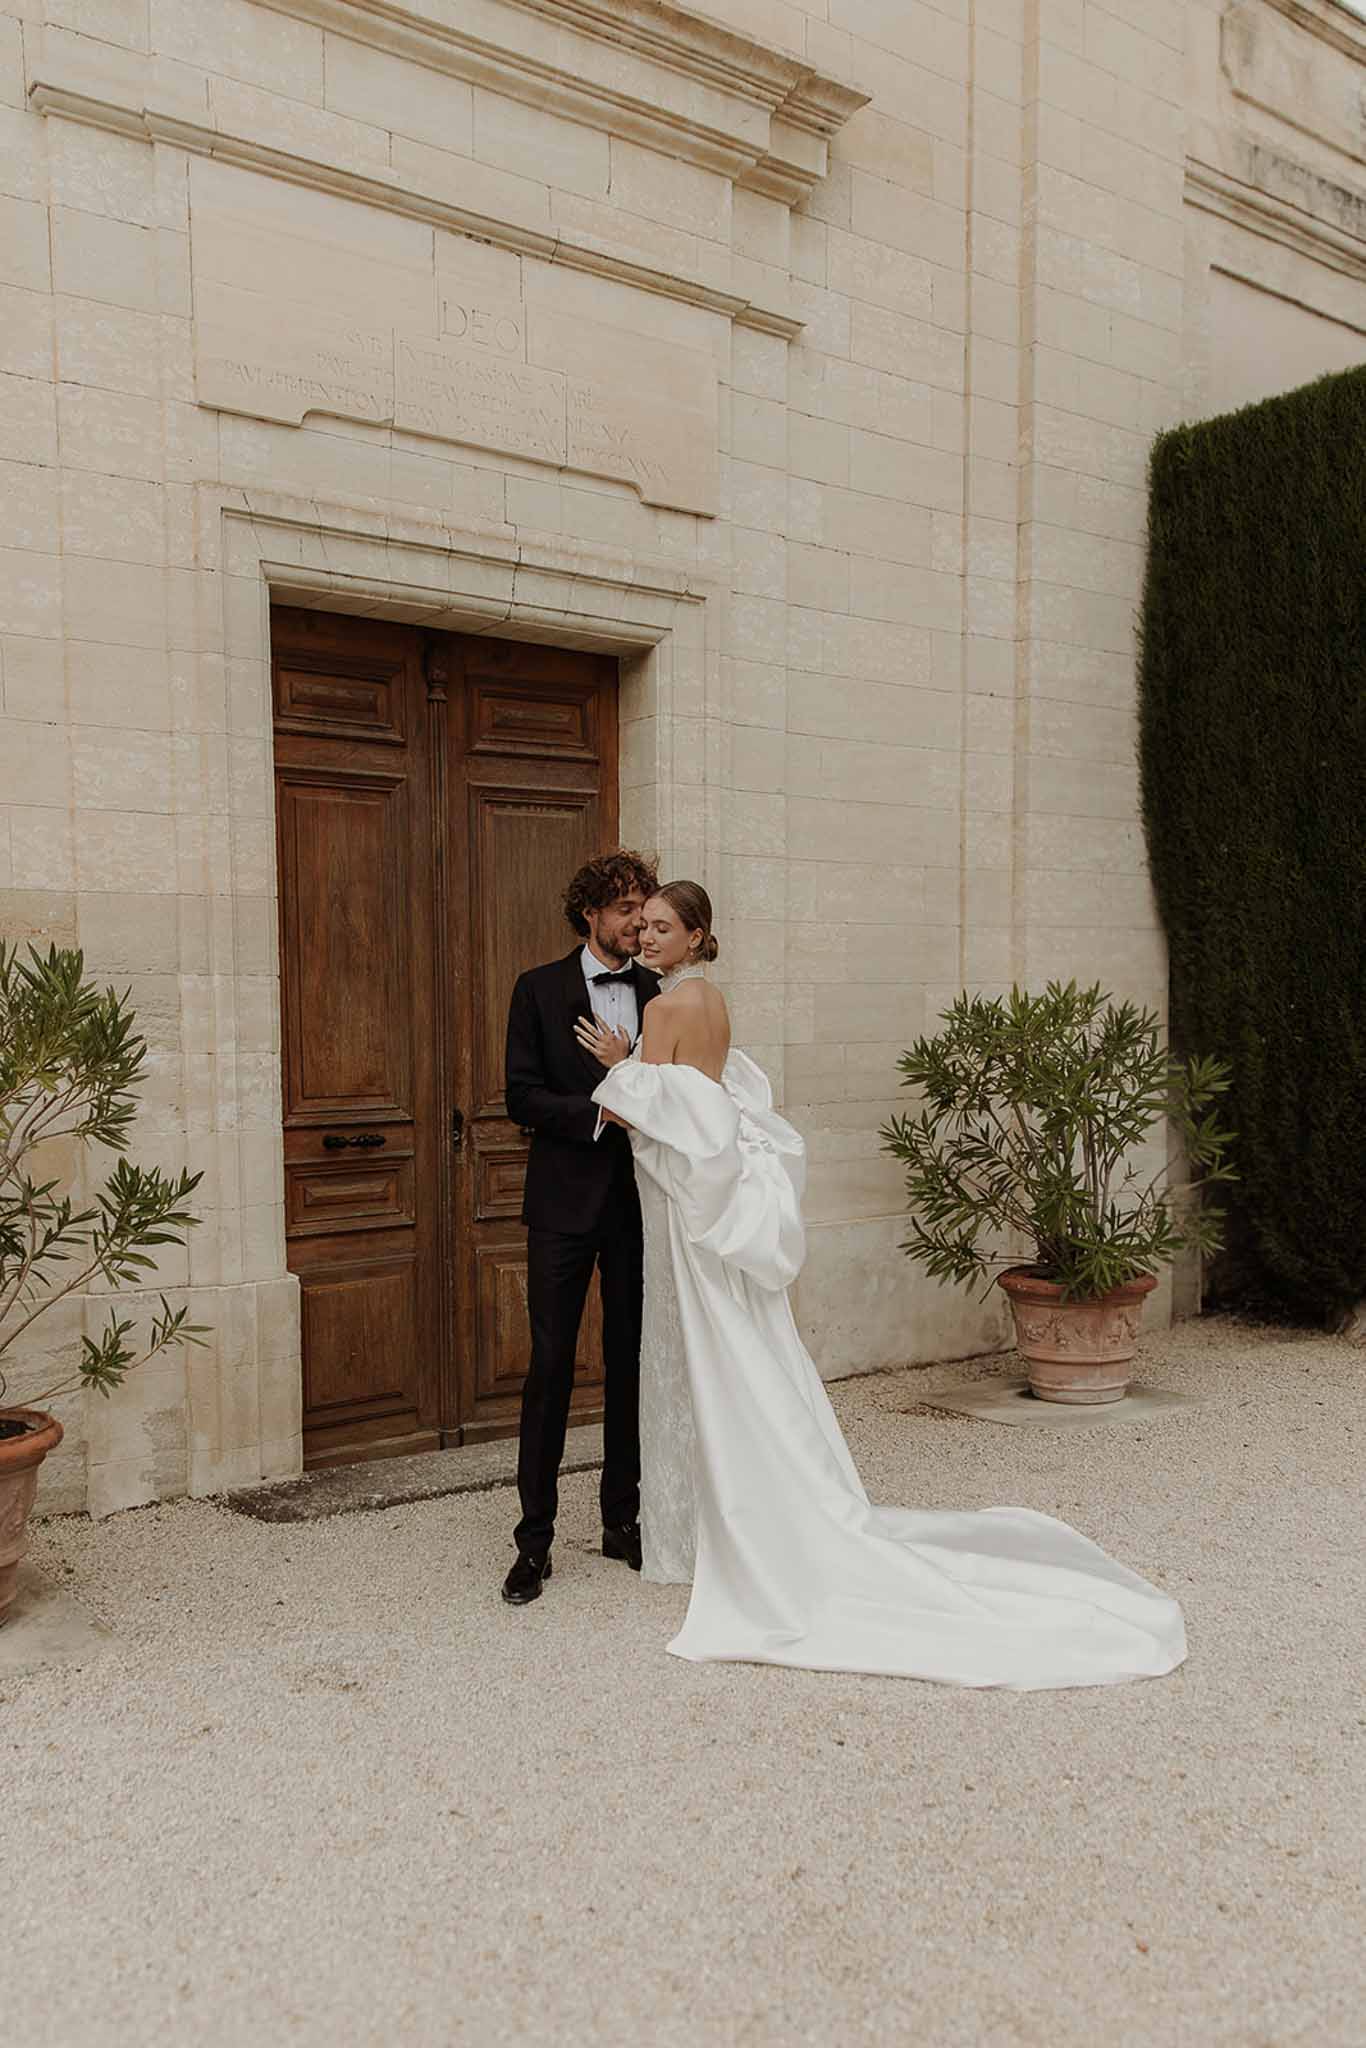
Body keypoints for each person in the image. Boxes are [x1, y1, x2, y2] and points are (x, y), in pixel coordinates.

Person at [580, 881, 1188, 1691]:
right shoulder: (714, 1002)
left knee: (700, 1348)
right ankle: (726, 1512)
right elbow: (712, 1100)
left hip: (683, 1212)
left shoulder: (662, 1010)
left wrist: (618, 1069)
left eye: (663, 927)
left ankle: (708, 1533)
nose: (648, 937)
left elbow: (652, 1114)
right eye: (644, 926)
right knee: (736, 1341)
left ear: (696, 936)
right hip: (705, 1200)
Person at [500, 850, 660, 1606]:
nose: (638, 923)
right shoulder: (537, 988)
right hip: (561, 1209)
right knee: (551, 1368)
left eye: (644, 909)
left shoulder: (661, 993)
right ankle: (533, 1543)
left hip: (639, 1206)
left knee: (630, 1363)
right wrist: (604, 1109)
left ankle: (621, 1521)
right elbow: (521, 1097)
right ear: (589, 913)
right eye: (625, 909)